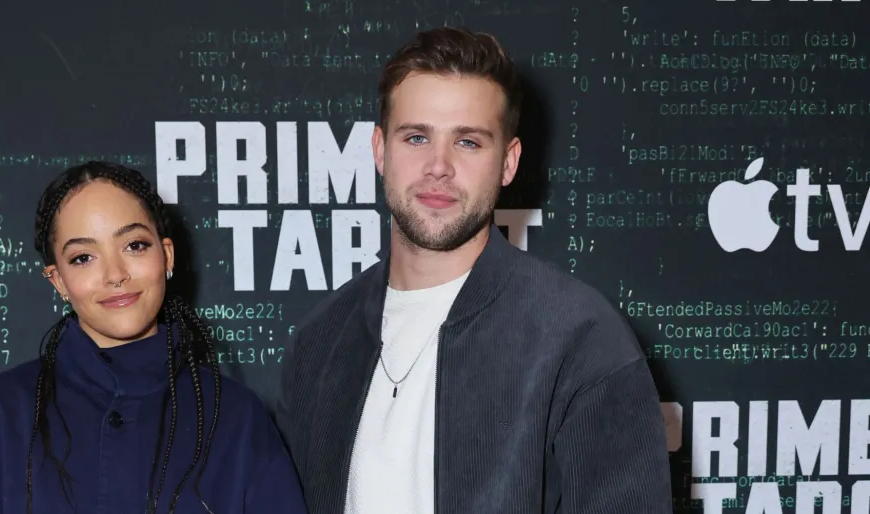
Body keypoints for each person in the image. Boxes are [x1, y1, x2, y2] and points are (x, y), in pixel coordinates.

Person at [274, 27, 672, 513]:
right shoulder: (319, 342)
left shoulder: (580, 339)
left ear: (508, 162)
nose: (438, 166)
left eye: (467, 142)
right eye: (416, 137)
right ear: (380, 150)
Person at [0, 161, 307, 514]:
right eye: (83, 257)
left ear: (166, 255)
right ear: (58, 280)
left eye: (134, 245)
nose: (115, 274)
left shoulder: (235, 417)